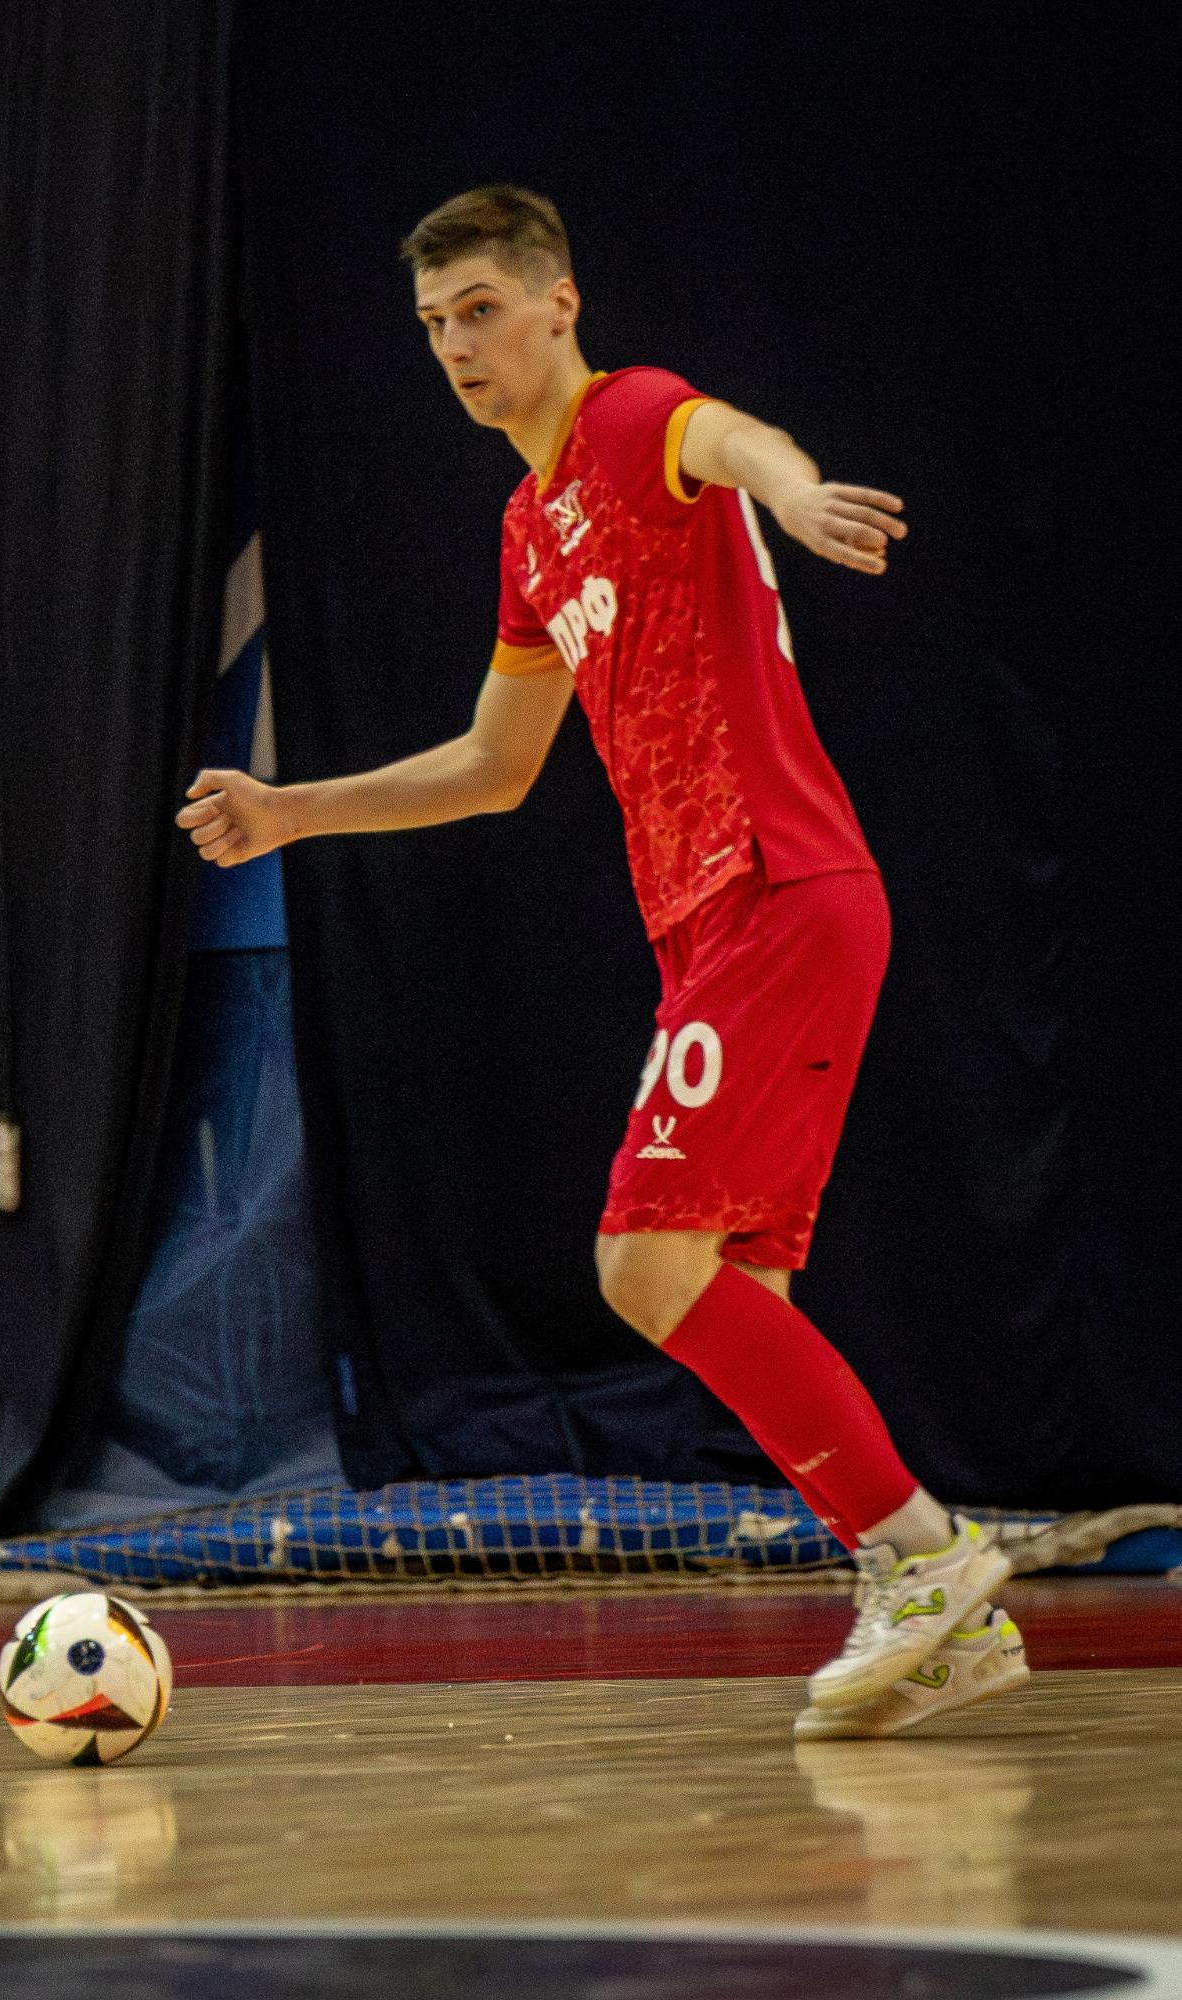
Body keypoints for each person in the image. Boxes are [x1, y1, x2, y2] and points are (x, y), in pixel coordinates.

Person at [177, 185, 1023, 1737]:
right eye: (434, 324)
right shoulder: (530, 530)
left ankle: (928, 1557)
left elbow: (727, 436)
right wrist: (292, 811)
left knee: (640, 1265)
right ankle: (931, 1607)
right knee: (739, 1296)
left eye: (482, 309)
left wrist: (795, 490)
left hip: (774, 890)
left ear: (558, 303)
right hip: (717, 930)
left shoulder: (631, 421)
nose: (457, 345)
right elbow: (498, 764)